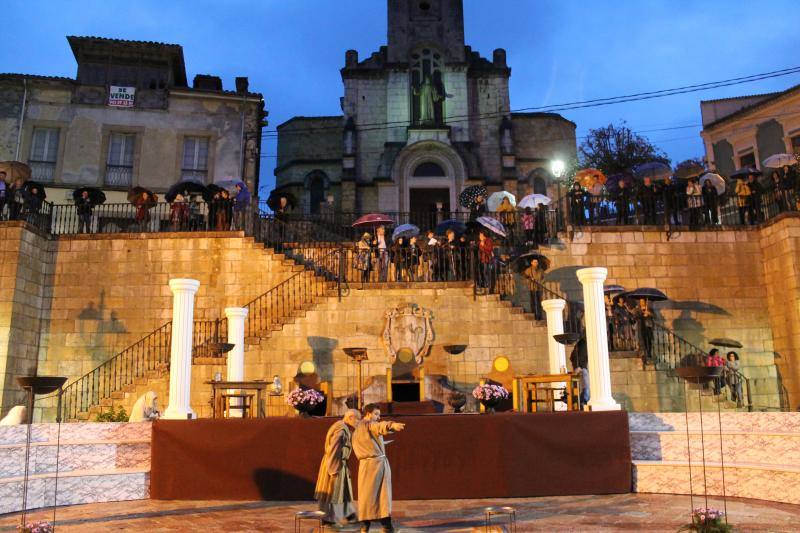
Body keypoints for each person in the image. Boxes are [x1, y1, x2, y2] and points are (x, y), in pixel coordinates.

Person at [353, 404, 405, 533]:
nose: (378, 417)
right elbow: (379, 426)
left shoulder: (357, 428)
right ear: (368, 414)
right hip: (376, 465)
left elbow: (366, 443)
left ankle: (365, 526)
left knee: (366, 496)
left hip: (365, 465)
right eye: (376, 414)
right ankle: (386, 527)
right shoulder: (368, 424)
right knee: (382, 495)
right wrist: (392, 425)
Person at [315, 409, 361, 526]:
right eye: (357, 419)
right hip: (335, 463)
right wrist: (333, 468)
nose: (358, 422)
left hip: (340, 463)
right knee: (333, 491)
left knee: (344, 490)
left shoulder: (342, 426)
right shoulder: (341, 430)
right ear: (350, 417)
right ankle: (328, 519)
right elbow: (334, 450)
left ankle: (349, 514)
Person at [570, 337, 589, 408]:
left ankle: (579, 402)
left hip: (578, 368)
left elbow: (571, 357)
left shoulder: (578, 345)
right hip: (582, 368)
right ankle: (583, 402)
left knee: (580, 387)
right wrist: (580, 366)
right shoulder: (584, 344)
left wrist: (575, 366)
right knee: (585, 386)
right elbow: (582, 356)